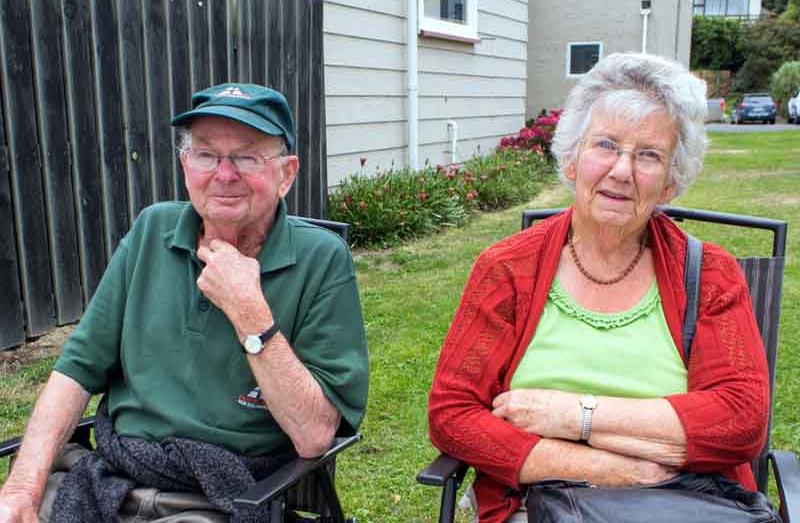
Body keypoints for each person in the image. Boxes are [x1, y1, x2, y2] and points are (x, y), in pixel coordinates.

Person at [0, 83, 369, 522]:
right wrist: (23, 488)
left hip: (220, 497)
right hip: (107, 480)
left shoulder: (321, 259)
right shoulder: (152, 230)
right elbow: (76, 370)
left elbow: (314, 435)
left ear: (286, 174)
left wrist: (249, 312)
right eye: (206, 155)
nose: (224, 174)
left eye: (247, 156)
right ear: (185, 164)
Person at [428, 53, 770, 523]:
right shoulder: (506, 270)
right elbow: (453, 414)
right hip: (544, 505)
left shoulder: (711, 274)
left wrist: (574, 417)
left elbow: (740, 420)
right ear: (571, 160)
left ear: (671, 183)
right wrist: (605, 466)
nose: (622, 170)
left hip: (683, 506)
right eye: (606, 145)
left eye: (648, 155)